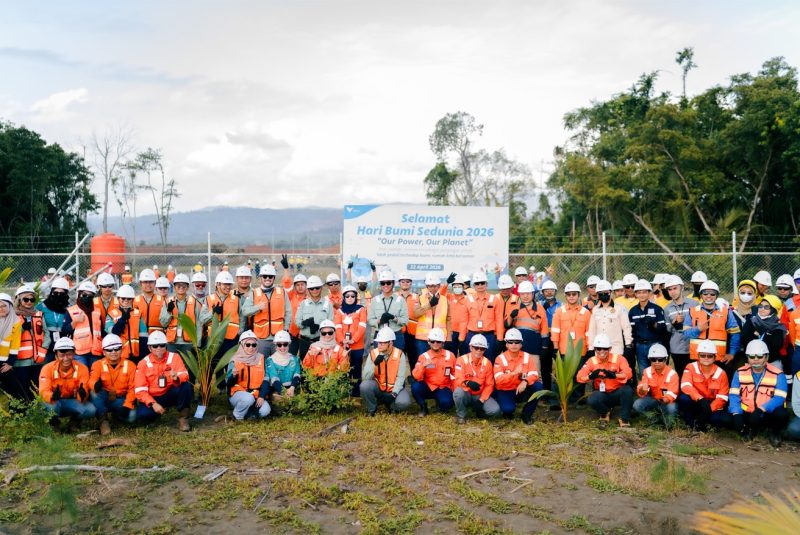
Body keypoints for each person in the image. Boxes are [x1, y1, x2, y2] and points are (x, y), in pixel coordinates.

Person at [728, 339, 788, 447]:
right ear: (747, 358)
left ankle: (774, 433)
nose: (755, 360)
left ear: (766, 357)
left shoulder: (778, 374)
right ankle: (748, 429)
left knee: (781, 414)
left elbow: (780, 397)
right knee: (725, 418)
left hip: (767, 413)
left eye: (760, 356)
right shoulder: (739, 372)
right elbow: (734, 395)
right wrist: (736, 413)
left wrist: (761, 409)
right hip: (748, 412)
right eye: (752, 356)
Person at [134, 331, 192, 432]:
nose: (159, 348)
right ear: (149, 348)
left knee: (186, 386)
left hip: (169, 393)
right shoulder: (143, 364)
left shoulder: (174, 357)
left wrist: (177, 378)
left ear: (166, 346)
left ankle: (183, 418)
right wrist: (153, 403)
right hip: (153, 397)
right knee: (142, 414)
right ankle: (154, 416)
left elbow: (184, 375)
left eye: (162, 345)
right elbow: (140, 390)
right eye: (155, 346)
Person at [682, 280, 741, 378]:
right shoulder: (692, 311)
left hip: (719, 359)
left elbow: (735, 333)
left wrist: (732, 353)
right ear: (701, 295)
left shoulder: (726, 312)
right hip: (698, 357)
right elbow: (686, 334)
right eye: (705, 293)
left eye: (712, 294)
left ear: (716, 296)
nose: (709, 296)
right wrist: (698, 329)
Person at [577, 334, 634, 428]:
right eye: (598, 349)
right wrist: (590, 376)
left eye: (605, 349)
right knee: (592, 399)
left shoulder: (619, 358)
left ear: (610, 348)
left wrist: (614, 375)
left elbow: (629, 374)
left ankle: (624, 419)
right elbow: (579, 377)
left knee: (627, 390)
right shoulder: (592, 361)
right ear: (595, 349)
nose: (601, 351)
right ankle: (605, 412)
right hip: (602, 393)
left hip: (617, 392)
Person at [38, 337, 96, 430]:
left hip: (71, 402)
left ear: (74, 354)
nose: (66, 358)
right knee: (51, 407)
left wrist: (82, 395)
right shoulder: (47, 369)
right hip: (54, 402)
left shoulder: (82, 368)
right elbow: (43, 391)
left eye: (69, 354)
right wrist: (52, 396)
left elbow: (84, 389)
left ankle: (74, 422)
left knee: (90, 409)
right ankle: (54, 424)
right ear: (56, 356)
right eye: (62, 355)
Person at [677, 339, 731, 431]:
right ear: (698, 356)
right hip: (697, 401)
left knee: (721, 420)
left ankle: (704, 421)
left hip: (711, 403)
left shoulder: (721, 373)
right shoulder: (690, 367)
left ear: (714, 357)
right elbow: (685, 386)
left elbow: (722, 398)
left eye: (709, 356)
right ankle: (690, 423)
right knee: (684, 398)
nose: (706, 358)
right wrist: (700, 399)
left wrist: (709, 409)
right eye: (703, 355)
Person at [492, 328, 543, 424]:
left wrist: (525, 381)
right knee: (508, 410)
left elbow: (534, 374)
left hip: (521, 389)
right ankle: (507, 407)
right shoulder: (500, 359)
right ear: (506, 344)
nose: (514, 345)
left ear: (521, 344)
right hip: (506, 390)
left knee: (538, 387)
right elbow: (498, 380)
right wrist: (514, 373)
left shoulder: (527, 356)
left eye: (517, 342)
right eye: (511, 342)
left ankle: (526, 414)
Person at [90, 334, 137, 435]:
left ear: (122, 349)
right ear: (103, 352)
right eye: (109, 350)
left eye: (117, 349)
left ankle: (117, 415)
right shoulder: (97, 364)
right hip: (104, 398)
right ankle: (103, 421)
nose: (114, 352)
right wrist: (95, 384)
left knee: (132, 417)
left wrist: (127, 405)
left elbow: (133, 388)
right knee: (93, 393)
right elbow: (91, 380)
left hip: (120, 399)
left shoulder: (131, 365)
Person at [549, 282, 591, 395]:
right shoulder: (559, 311)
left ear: (579, 295)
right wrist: (555, 348)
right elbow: (555, 331)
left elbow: (588, 333)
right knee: (560, 375)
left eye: (574, 294)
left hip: (580, 352)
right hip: (563, 351)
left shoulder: (586, 313)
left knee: (579, 375)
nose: (571, 296)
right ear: (565, 296)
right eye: (569, 294)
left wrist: (588, 349)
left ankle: (577, 400)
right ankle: (556, 401)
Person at [505, 280, 549, 384]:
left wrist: (544, 347)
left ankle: (538, 397)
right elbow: (506, 325)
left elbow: (544, 330)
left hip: (534, 347)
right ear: (519, 294)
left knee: (535, 374)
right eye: (522, 294)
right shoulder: (515, 307)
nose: (525, 296)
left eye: (528, 293)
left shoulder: (540, 309)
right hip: (517, 348)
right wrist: (511, 316)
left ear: (533, 294)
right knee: (518, 374)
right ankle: (519, 396)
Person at [360, 326, 411, 415]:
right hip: (379, 388)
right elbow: (365, 377)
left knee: (404, 403)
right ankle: (372, 408)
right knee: (364, 386)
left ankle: (391, 405)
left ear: (390, 343)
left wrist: (394, 394)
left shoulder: (399, 354)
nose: (379, 345)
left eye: (382, 343)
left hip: (393, 389)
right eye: (378, 342)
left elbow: (400, 377)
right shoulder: (373, 353)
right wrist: (374, 365)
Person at [452, 334, 501, 424]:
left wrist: (481, 400)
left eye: (482, 348)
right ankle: (461, 415)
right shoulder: (461, 360)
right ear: (471, 347)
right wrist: (467, 383)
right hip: (465, 392)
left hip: (479, 394)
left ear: (485, 350)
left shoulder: (487, 363)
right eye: (476, 347)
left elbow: (489, 385)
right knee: (458, 392)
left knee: (495, 411)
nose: (479, 350)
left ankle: (479, 412)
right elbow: (458, 379)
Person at [225, 330, 271, 421]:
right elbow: (228, 384)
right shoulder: (235, 360)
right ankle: (237, 416)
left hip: (255, 394)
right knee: (248, 399)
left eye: (254, 345)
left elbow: (266, 380)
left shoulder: (261, 358)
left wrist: (261, 396)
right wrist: (233, 376)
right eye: (248, 345)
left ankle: (248, 412)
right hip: (238, 395)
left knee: (265, 411)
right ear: (242, 345)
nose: (251, 347)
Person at [160, 274, 211, 354]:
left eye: (184, 286)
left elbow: (199, 324)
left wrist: (197, 343)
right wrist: (168, 311)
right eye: (178, 286)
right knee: (171, 366)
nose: (181, 288)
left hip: (188, 343)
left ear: (187, 287)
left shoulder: (195, 302)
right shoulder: (167, 302)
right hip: (172, 343)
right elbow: (163, 323)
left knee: (187, 366)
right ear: (174, 287)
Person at [410, 327, 455, 415]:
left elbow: (455, 375)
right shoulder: (423, 357)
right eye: (433, 341)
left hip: (443, 387)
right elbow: (416, 376)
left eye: (438, 341)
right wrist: (423, 366)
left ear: (443, 343)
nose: (435, 343)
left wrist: (453, 391)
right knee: (415, 387)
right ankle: (423, 407)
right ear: (429, 342)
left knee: (447, 403)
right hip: (428, 386)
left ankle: (440, 406)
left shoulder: (450, 356)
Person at [628, 279, 667, 379]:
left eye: (645, 292)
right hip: (640, 346)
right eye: (639, 292)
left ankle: (658, 391)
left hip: (655, 343)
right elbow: (632, 330)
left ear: (650, 293)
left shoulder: (657, 309)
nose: (642, 295)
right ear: (635, 294)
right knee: (643, 371)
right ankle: (646, 392)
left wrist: (653, 324)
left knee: (657, 370)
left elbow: (663, 329)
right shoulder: (633, 311)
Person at [13, 286, 46, 400]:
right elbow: (8, 336)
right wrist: (22, 329)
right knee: (22, 390)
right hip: (20, 362)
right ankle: (23, 415)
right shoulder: (13, 316)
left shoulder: (39, 314)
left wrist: (43, 351)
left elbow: (46, 335)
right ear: (18, 300)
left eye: (31, 300)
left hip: (37, 360)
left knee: (37, 390)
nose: (29, 302)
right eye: (25, 299)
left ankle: (37, 414)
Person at [633, 343, 679, 426]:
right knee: (637, 404)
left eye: (660, 359)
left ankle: (665, 421)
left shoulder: (672, 374)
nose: (656, 362)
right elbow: (641, 390)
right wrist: (643, 390)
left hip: (666, 402)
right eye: (653, 359)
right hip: (653, 400)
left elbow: (672, 394)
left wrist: (662, 401)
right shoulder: (647, 371)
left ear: (665, 359)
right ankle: (654, 418)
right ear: (650, 359)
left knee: (672, 409)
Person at [463, 271, 504, 362]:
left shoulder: (495, 299)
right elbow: (464, 320)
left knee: (489, 362)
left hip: (489, 336)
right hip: (472, 334)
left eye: (482, 283)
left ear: (486, 284)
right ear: (474, 285)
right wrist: (462, 338)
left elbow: (499, 319)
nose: (480, 285)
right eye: (477, 283)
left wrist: (500, 338)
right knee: (471, 361)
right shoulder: (468, 299)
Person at [251, 264, 291, 357]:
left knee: (279, 364)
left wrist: (285, 328)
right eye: (265, 276)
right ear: (260, 277)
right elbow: (245, 311)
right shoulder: (254, 293)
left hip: (278, 337)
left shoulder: (282, 292)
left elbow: (288, 312)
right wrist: (257, 307)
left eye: (270, 276)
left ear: (274, 278)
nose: (267, 278)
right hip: (261, 337)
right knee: (261, 364)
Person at [207, 270, 244, 372]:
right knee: (216, 366)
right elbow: (202, 319)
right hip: (214, 339)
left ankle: (229, 387)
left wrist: (239, 332)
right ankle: (219, 387)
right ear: (218, 284)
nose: (228, 287)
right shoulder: (209, 299)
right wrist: (212, 313)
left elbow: (242, 317)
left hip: (231, 339)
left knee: (230, 366)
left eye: (230, 284)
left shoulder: (236, 299)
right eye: (225, 284)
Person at [587, 280, 632, 359]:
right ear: (597, 294)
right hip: (600, 350)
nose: (603, 295)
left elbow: (626, 327)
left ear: (610, 292)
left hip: (616, 349)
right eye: (600, 293)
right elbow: (592, 330)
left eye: (605, 292)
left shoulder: (620, 308)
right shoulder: (595, 310)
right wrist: (591, 348)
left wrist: (628, 345)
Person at [412, 273, 450, 366]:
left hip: (439, 338)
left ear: (439, 285)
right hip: (423, 338)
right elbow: (416, 314)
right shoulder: (420, 298)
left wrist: (449, 337)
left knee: (437, 364)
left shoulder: (445, 300)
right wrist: (429, 305)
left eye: (435, 285)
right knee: (423, 363)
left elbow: (448, 319)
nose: (433, 288)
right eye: (430, 286)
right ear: (427, 286)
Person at [335, 285, 367, 395]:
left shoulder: (361, 309)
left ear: (355, 297)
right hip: (343, 346)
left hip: (357, 346)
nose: (350, 298)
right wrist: (342, 340)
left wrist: (353, 340)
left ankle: (356, 394)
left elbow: (362, 327)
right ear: (343, 297)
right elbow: (337, 327)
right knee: (344, 369)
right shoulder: (339, 311)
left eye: (352, 296)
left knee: (357, 370)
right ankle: (344, 394)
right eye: (347, 296)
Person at [663, 275, 698, 378]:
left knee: (694, 374)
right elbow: (668, 329)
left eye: (675, 288)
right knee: (681, 374)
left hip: (692, 346)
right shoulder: (667, 309)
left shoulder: (694, 304)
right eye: (670, 289)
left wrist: (686, 321)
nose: (673, 292)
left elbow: (699, 324)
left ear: (681, 288)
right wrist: (674, 323)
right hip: (677, 347)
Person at [63, 280, 103, 368]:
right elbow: (64, 331)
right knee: (82, 377)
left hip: (96, 351)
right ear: (79, 294)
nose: (87, 298)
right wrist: (76, 321)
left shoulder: (97, 311)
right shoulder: (71, 311)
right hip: (79, 353)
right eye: (84, 295)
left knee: (94, 378)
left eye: (90, 296)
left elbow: (101, 331)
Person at [294, 275, 334, 358]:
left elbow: (331, 324)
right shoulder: (303, 304)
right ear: (308, 290)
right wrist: (305, 323)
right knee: (304, 367)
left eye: (317, 288)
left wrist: (320, 328)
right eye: (312, 288)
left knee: (321, 367)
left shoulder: (328, 304)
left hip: (321, 341)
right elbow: (297, 322)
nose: (315, 290)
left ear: (321, 288)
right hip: (304, 342)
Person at [367, 271, 408, 349]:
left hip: (396, 336)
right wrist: (380, 321)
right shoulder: (375, 300)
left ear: (392, 283)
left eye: (388, 283)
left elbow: (405, 321)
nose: (385, 285)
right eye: (383, 283)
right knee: (380, 360)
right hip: (380, 335)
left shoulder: (400, 300)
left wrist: (394, 318)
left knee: (396, 360)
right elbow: (370, 320)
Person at [35, 277, 71, 360]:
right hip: (46, 342)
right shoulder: (41, 307)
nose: (58, 295)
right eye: (56, 292)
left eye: (62, 293)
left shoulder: (69, 308)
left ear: (66, 294)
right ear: (51, 292)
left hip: (64, 342)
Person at [106, 285, 145, 361]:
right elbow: (113, 333)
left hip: (136, 354)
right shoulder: (111, 314)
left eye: (129, 298)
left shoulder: (138, 314)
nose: (126, 300)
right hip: (119, 355)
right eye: (123, 298)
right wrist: (122, 320)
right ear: (118, 298)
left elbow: (143, 336)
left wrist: (143, 355)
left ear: (132, 299)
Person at [133, 268, 164, 359]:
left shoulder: (162, 300)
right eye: (145, 282)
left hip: (157, 341)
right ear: (140, 284)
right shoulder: (135, 301)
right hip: (140, 340)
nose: (148, 284)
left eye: (150, 282)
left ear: (155, 283)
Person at [265, 330, 302, 402]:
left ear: (289, 345)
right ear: (275, 346)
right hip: (277, 388)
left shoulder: (295, 358)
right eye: (279, 345)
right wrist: (285, 392)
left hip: (292, 388)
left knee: (293, 400)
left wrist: (292, 388)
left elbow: (297, 375)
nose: (282, 347)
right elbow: (274, 378)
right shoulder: (270, 360)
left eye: (285, 344)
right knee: (281, 400)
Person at [0, 293, 22, 398]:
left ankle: (16, 413)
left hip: (4, 364)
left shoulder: (16, 322)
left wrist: (10, 363)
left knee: (13, 391)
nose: (1, 308)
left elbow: (15, 344)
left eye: (4, 305)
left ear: (9, 306)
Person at [396, 272, 419, 365]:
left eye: (408, 281)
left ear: (411, 283)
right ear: (399, 283)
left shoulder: (417, 297)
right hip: (398, 332)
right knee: (397, 358)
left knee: (413, 359)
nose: (405, 283)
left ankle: (413, 378)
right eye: (403, 281)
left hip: (413, 333)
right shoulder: (394, 297)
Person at [446, 275, 469, 356]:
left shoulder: (468, 299)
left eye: (459, 286)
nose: (457, 288)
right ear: (452, 288)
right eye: (455, 287)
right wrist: (446, 283)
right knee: (451, 355)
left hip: (465, 331)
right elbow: (440, 294)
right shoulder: (449, 297)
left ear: (463, 287)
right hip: (452, 331)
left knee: (464, 355)